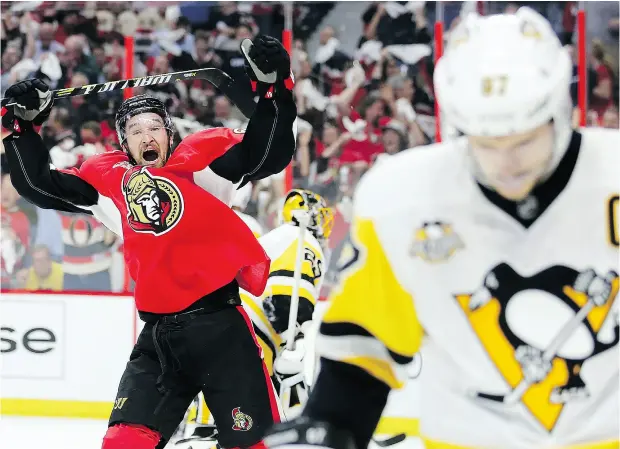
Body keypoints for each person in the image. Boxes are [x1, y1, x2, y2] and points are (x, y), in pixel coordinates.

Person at [264, 8, 619, 449]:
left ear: (560, 113)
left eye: (525, 141)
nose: (506, 164)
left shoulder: (613, 177)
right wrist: (332, 425)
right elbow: (368, 338)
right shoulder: (404, 196)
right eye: (486, 144)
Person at [3, 35, 297, 449]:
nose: (146, 135)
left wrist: (273, 88)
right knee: (123, 443)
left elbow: (271, 151)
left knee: (256, 445)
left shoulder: (206, 168)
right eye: (135, 130)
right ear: (124, 145)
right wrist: (22, 129)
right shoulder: (111, 186)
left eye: (155, 126)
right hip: (158, 339)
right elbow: (38, 185)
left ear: (169, 134)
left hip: (221, 331)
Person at [187, 189, 333, 443]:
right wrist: (293, 341)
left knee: (221, 419)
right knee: (237, 421)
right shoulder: (301, 239)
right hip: (247, 333)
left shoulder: (277, 237)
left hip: (223, 325)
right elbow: (287, 298)